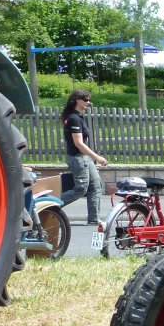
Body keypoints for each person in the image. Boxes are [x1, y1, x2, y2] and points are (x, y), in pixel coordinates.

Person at [58, 89, 107, 224]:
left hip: (84, 157)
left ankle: (93, 218)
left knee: (96, 185)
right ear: (77, 101)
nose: (88, 102)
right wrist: (97, 157)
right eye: (85, 100)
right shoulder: (74, 118)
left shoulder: (77, 117)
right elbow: (78, 143)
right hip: (77, 158)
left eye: (88, 100)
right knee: (81, 189)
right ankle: (50, 206)